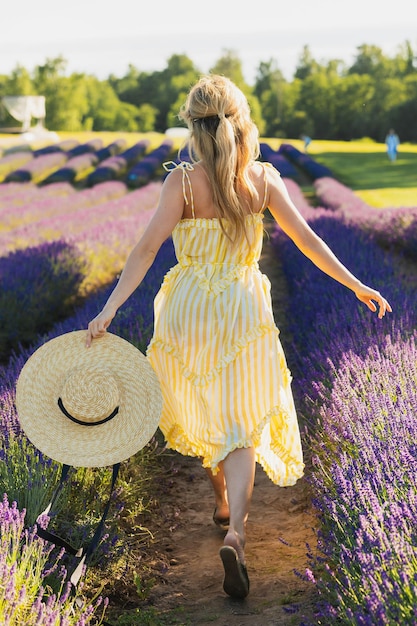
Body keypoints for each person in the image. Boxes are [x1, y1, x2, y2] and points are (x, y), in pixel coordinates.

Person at [86, 74, 392, 600]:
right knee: (243, 423)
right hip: (244, 309)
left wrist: (110, 308)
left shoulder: (181, 182)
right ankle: (236, 532)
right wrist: (356, 283)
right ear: (241, 119)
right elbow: (308, 240)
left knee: (207, 406)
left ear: (193, 124)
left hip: (188, 311)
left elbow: (144, 250)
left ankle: (222, 501)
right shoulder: (264, 179)